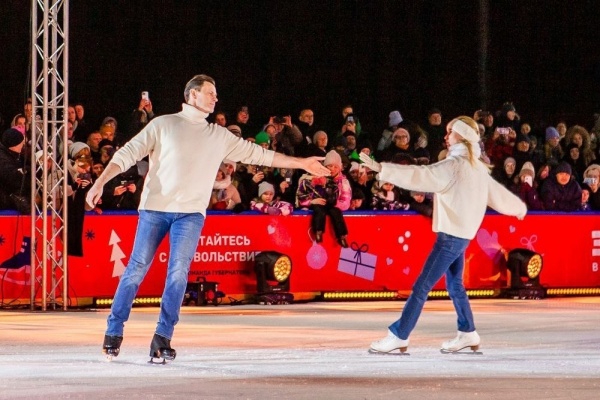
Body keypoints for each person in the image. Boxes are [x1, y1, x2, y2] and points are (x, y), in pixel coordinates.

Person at [85, 74, 329, 362]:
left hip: (190, 215)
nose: (215, 98)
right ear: (192, 95)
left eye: (215, 93)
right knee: (137, 268)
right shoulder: (164, 124)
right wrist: (100, 182)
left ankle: (162, 337)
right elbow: (127, 153)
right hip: (155, 209)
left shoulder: (218, 136)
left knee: (178, 274)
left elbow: (261, 155)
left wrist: (302, 163)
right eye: (210, 92)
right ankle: (114, 331)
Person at [359, 116, 527, 354]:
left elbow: (420, 175)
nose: (446, 136)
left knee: (421, 287)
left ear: (462, 136)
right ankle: (468, 332)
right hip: (460, 235)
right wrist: (519, 208)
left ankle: (399, 334)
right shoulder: (476, 167)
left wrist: (382, 169)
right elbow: (498, 195)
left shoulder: (454, 166)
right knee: (455, 284)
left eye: (450, 133)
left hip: (451, 238)